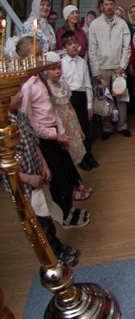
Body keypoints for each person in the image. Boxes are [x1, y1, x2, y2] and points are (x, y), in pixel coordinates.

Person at [16, 37, 90, 229]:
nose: (42, 58)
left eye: (41, 53)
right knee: (58, 181)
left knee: (67, 176)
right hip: (45, 141)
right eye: (37, 55)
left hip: (55, 135)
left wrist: (61, 131)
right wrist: (54, 135)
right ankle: (64, 216)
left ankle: (70, 210)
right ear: (24, 60)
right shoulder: (27, 87)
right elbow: (29, 122)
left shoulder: (40, 80)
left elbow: (52, 108)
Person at [3, 85, 80, 266]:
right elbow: (3, 166)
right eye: (15, 93)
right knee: (38, 223)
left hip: (38, 177)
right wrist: (28, 179)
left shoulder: (21, 117)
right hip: (24, 185)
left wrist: (44, 165)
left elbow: (34, 143)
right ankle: (53, 258)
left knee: (47, 215)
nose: (21, 95)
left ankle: (57, 248)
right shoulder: (3, 126)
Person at [88, 0, 133, 139]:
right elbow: (92, 49)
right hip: (102, 69)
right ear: (102, 6)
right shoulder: (94, 24)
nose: (109, 7)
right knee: (104, 99)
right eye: (106, 4)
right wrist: (96, 71)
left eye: (111, 4)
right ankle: (107, 128)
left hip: (118, 68)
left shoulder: (122, 24)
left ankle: (122, 126)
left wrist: (123, 66)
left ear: (114, 5)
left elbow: (127, 47)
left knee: (121, 98)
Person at [60, 30, 97, 171]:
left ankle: (88, 153)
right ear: (64, 47)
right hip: (70, 98)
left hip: (82, 96)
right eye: (70, 44)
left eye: (75, 42)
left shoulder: (82, 62)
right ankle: (80, 157)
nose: (74, 46)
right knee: (75, 128)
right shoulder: (62, 63)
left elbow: (87, 84)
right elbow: (62, 84)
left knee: (85, 126)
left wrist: (89, 105)